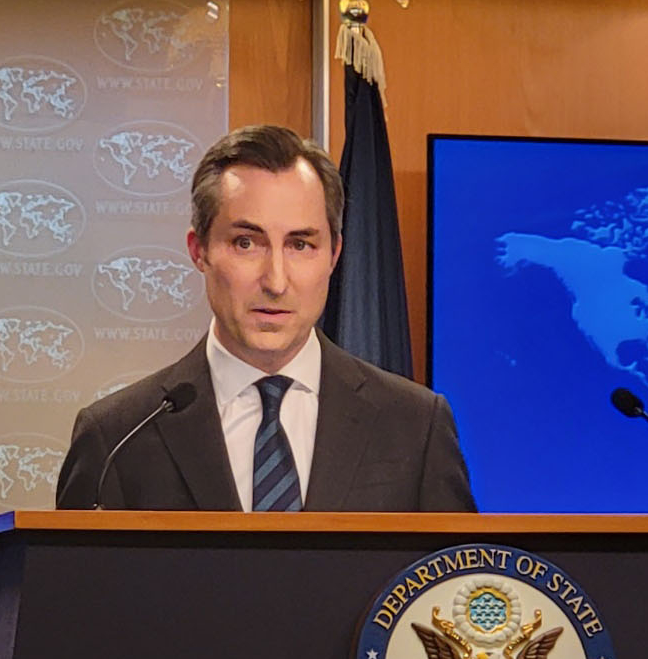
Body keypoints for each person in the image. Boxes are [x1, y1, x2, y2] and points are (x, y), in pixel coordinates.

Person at [55, 124, 475, 512]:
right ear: (198, 250)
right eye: (245, 243)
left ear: (334, 254)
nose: (275, 280)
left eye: (300, 245)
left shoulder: (415, 426)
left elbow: (452, 586)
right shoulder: (117, 439)